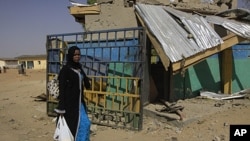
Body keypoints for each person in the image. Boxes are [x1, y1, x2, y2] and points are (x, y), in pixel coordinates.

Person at [55, 46, 91, 141]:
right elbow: (62, 89)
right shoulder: (65, 70)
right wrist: (61, 108)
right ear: (71, 55)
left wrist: (85, 78)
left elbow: (86, 84)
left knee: (85, 124)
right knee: (73, 128)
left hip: (79, 104)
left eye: (79, 54)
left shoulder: (79, 68)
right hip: (69, 106)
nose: (77, 56)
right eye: (75, 55)